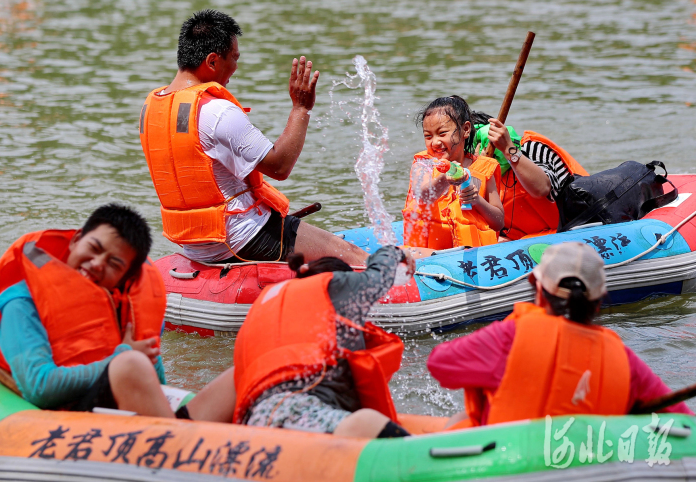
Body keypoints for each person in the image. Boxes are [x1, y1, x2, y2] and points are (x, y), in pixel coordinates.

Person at [138, 10, 367, 266]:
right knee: (357, 258)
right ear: (212, 61)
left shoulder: (151, 107)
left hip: (193, 242)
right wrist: (301, 108)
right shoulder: (217, 112)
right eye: (234, 58)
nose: (236, 67)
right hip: (240, 237)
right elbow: (279, 166)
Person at [0, 204, 235, 422]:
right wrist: (123, 356)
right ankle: (180, 446)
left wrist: (139, 357)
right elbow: (39, 386)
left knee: (239, 372)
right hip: (71, 417)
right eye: (93, 247)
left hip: (131, 413)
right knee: (129, 363)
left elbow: (156, 382)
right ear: (75, 240)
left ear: (125, 276)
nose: (97, 263)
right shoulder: (21, 302)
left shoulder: (127, 304)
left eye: (114, 263)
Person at [427, 242, 693, 430]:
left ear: (537, 287)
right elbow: (684, 421)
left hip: (510, 464)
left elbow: (439, 365)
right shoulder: (623, 358)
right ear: (599, 301)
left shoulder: (510, 335)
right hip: (592, 469)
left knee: (459, 420)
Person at [232, 246, 415, 438]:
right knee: (368, 420)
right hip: (298, 416)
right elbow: (379, 276)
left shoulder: (275, 309)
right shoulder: (336, 286)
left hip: (255, 417)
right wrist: (395, 252)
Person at [402, 96, 504, 254]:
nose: (435, 142)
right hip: (427, 254)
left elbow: (498, 223)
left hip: (469, 257)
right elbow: (421, 196)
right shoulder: (423, 165)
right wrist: (444, 178)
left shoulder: (484, 169)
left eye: (442, 133)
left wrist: (477, 201)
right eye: (428, 136)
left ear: (466, 130)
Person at [471, 112, 589, 240]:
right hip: (531, 243)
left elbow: (542, 188)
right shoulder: (474, 177)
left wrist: (508, 149)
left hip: (577, 229)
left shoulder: (531, 149)